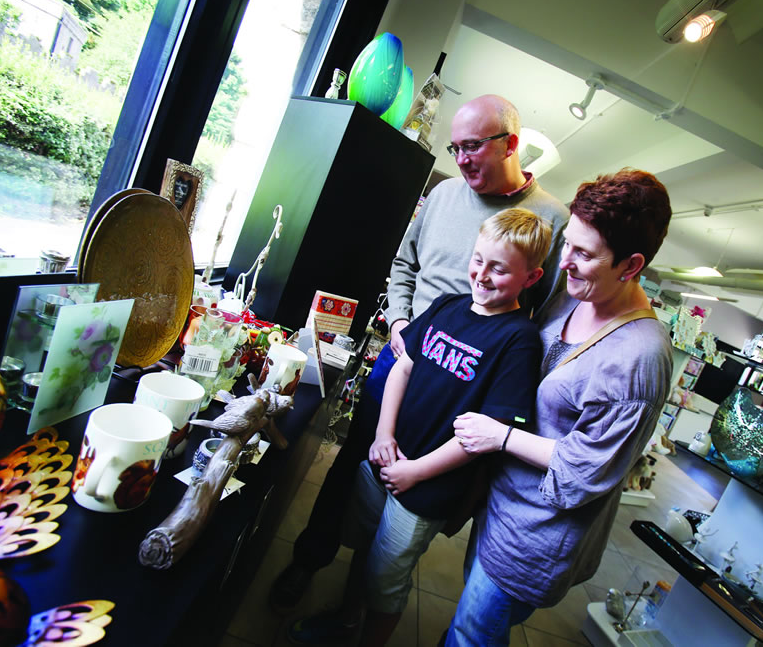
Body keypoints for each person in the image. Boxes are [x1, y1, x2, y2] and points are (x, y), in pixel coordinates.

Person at [270, 94, 570, 609]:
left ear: (511, 144)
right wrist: (402, 320)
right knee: (355, 465)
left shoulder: (550, 220)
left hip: (465, 379)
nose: (462, 159)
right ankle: (308, 560)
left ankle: (359, 598)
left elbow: (540, 313)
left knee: (412, 493)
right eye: (456, 148)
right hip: (407, 353)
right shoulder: (445, 194)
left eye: (472, 147)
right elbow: (403, 264)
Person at [291, 209, 552, 645]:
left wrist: (416, 471)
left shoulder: (518, 340)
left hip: (427, 488)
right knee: (363, 551)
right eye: (478, 260)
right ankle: (344, 619)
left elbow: (484, 435)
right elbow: (403, 368)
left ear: (531, 278)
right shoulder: (448, 305)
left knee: (386, 582)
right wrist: (382, 434)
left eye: (500, 269)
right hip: (385, 459)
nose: (482, 275)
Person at [447, 168, 674, 645]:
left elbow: (585, 472)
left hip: (535, 534)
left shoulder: (638, 358)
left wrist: (501, 436)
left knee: (471, 635)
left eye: (584, 254)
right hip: (498, 506)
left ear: (631, 266)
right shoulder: (572, 296)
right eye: (567, 243)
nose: (565, 261)